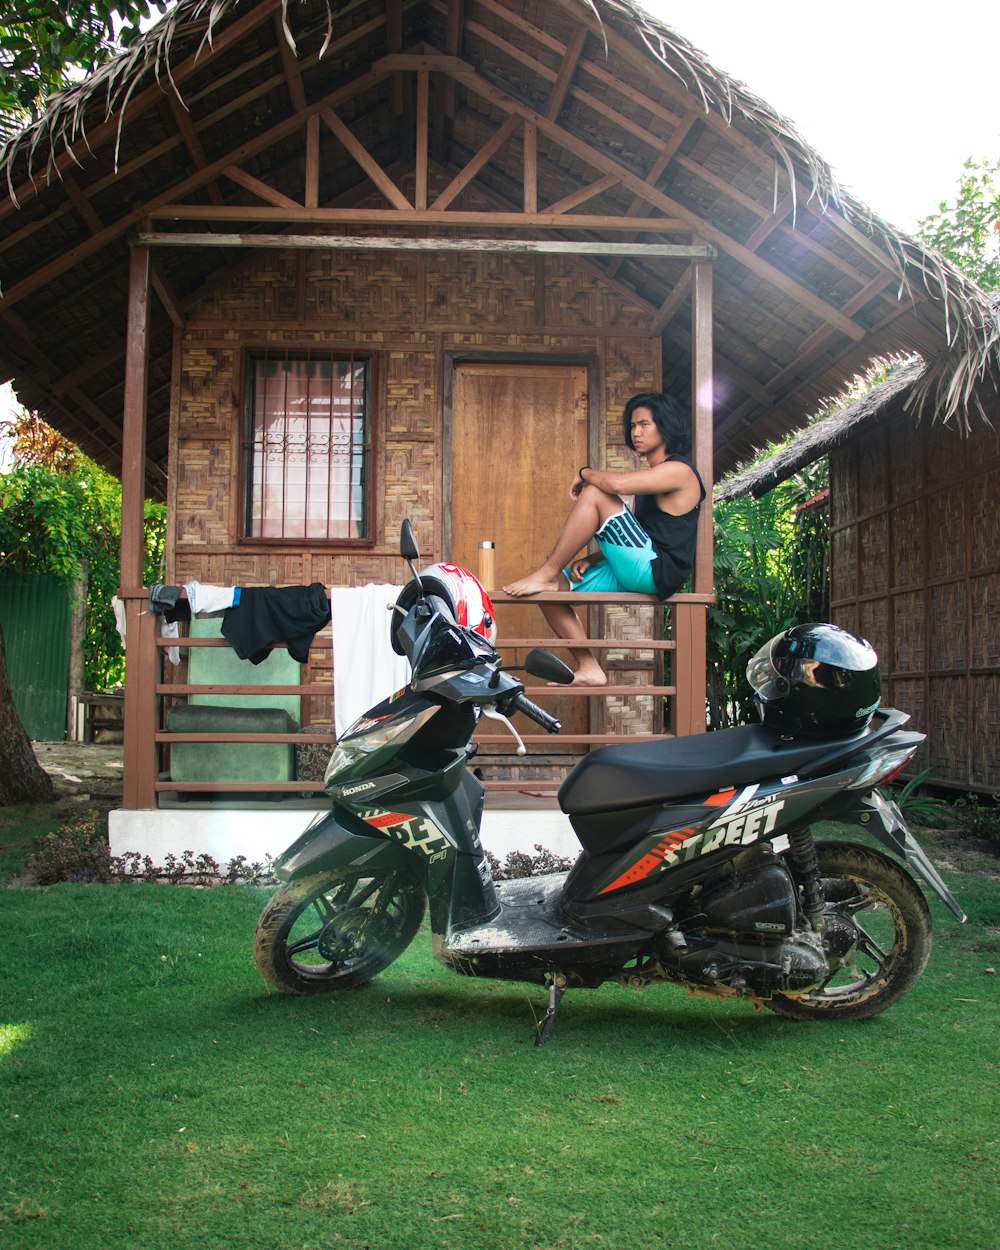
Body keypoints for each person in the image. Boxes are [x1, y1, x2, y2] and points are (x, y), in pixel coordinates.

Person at [503, 391, 706, 686]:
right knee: (549, 594)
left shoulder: (680, 471)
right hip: (638, 565)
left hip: (656, 569)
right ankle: (588, 667)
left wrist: (583, 472)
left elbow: (615, 484)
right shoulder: (658, 475)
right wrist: (593, 557)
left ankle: (545, 572)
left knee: (597, 491)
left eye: (645, 424)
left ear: (665, 425)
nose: (635, 432)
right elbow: (641, 531)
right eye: (633, 426)